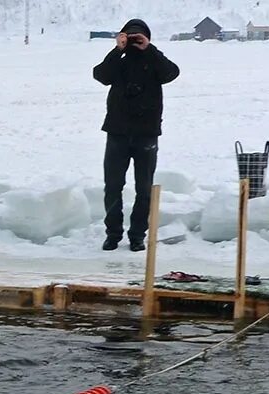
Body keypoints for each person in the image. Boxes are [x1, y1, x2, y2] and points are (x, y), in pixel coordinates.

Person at [93, 19, 179, 253]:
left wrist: (149, 48)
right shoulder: (118, 62)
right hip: (117, 133)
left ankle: (137, 236)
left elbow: (172, 73)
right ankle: (113, 234)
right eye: (129, 37)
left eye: (138, 37)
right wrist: (117, 50)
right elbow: (101, 75)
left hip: (146, 134)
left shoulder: (154, 61)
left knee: (144, 189)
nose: (134, 41)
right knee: (112, 186)